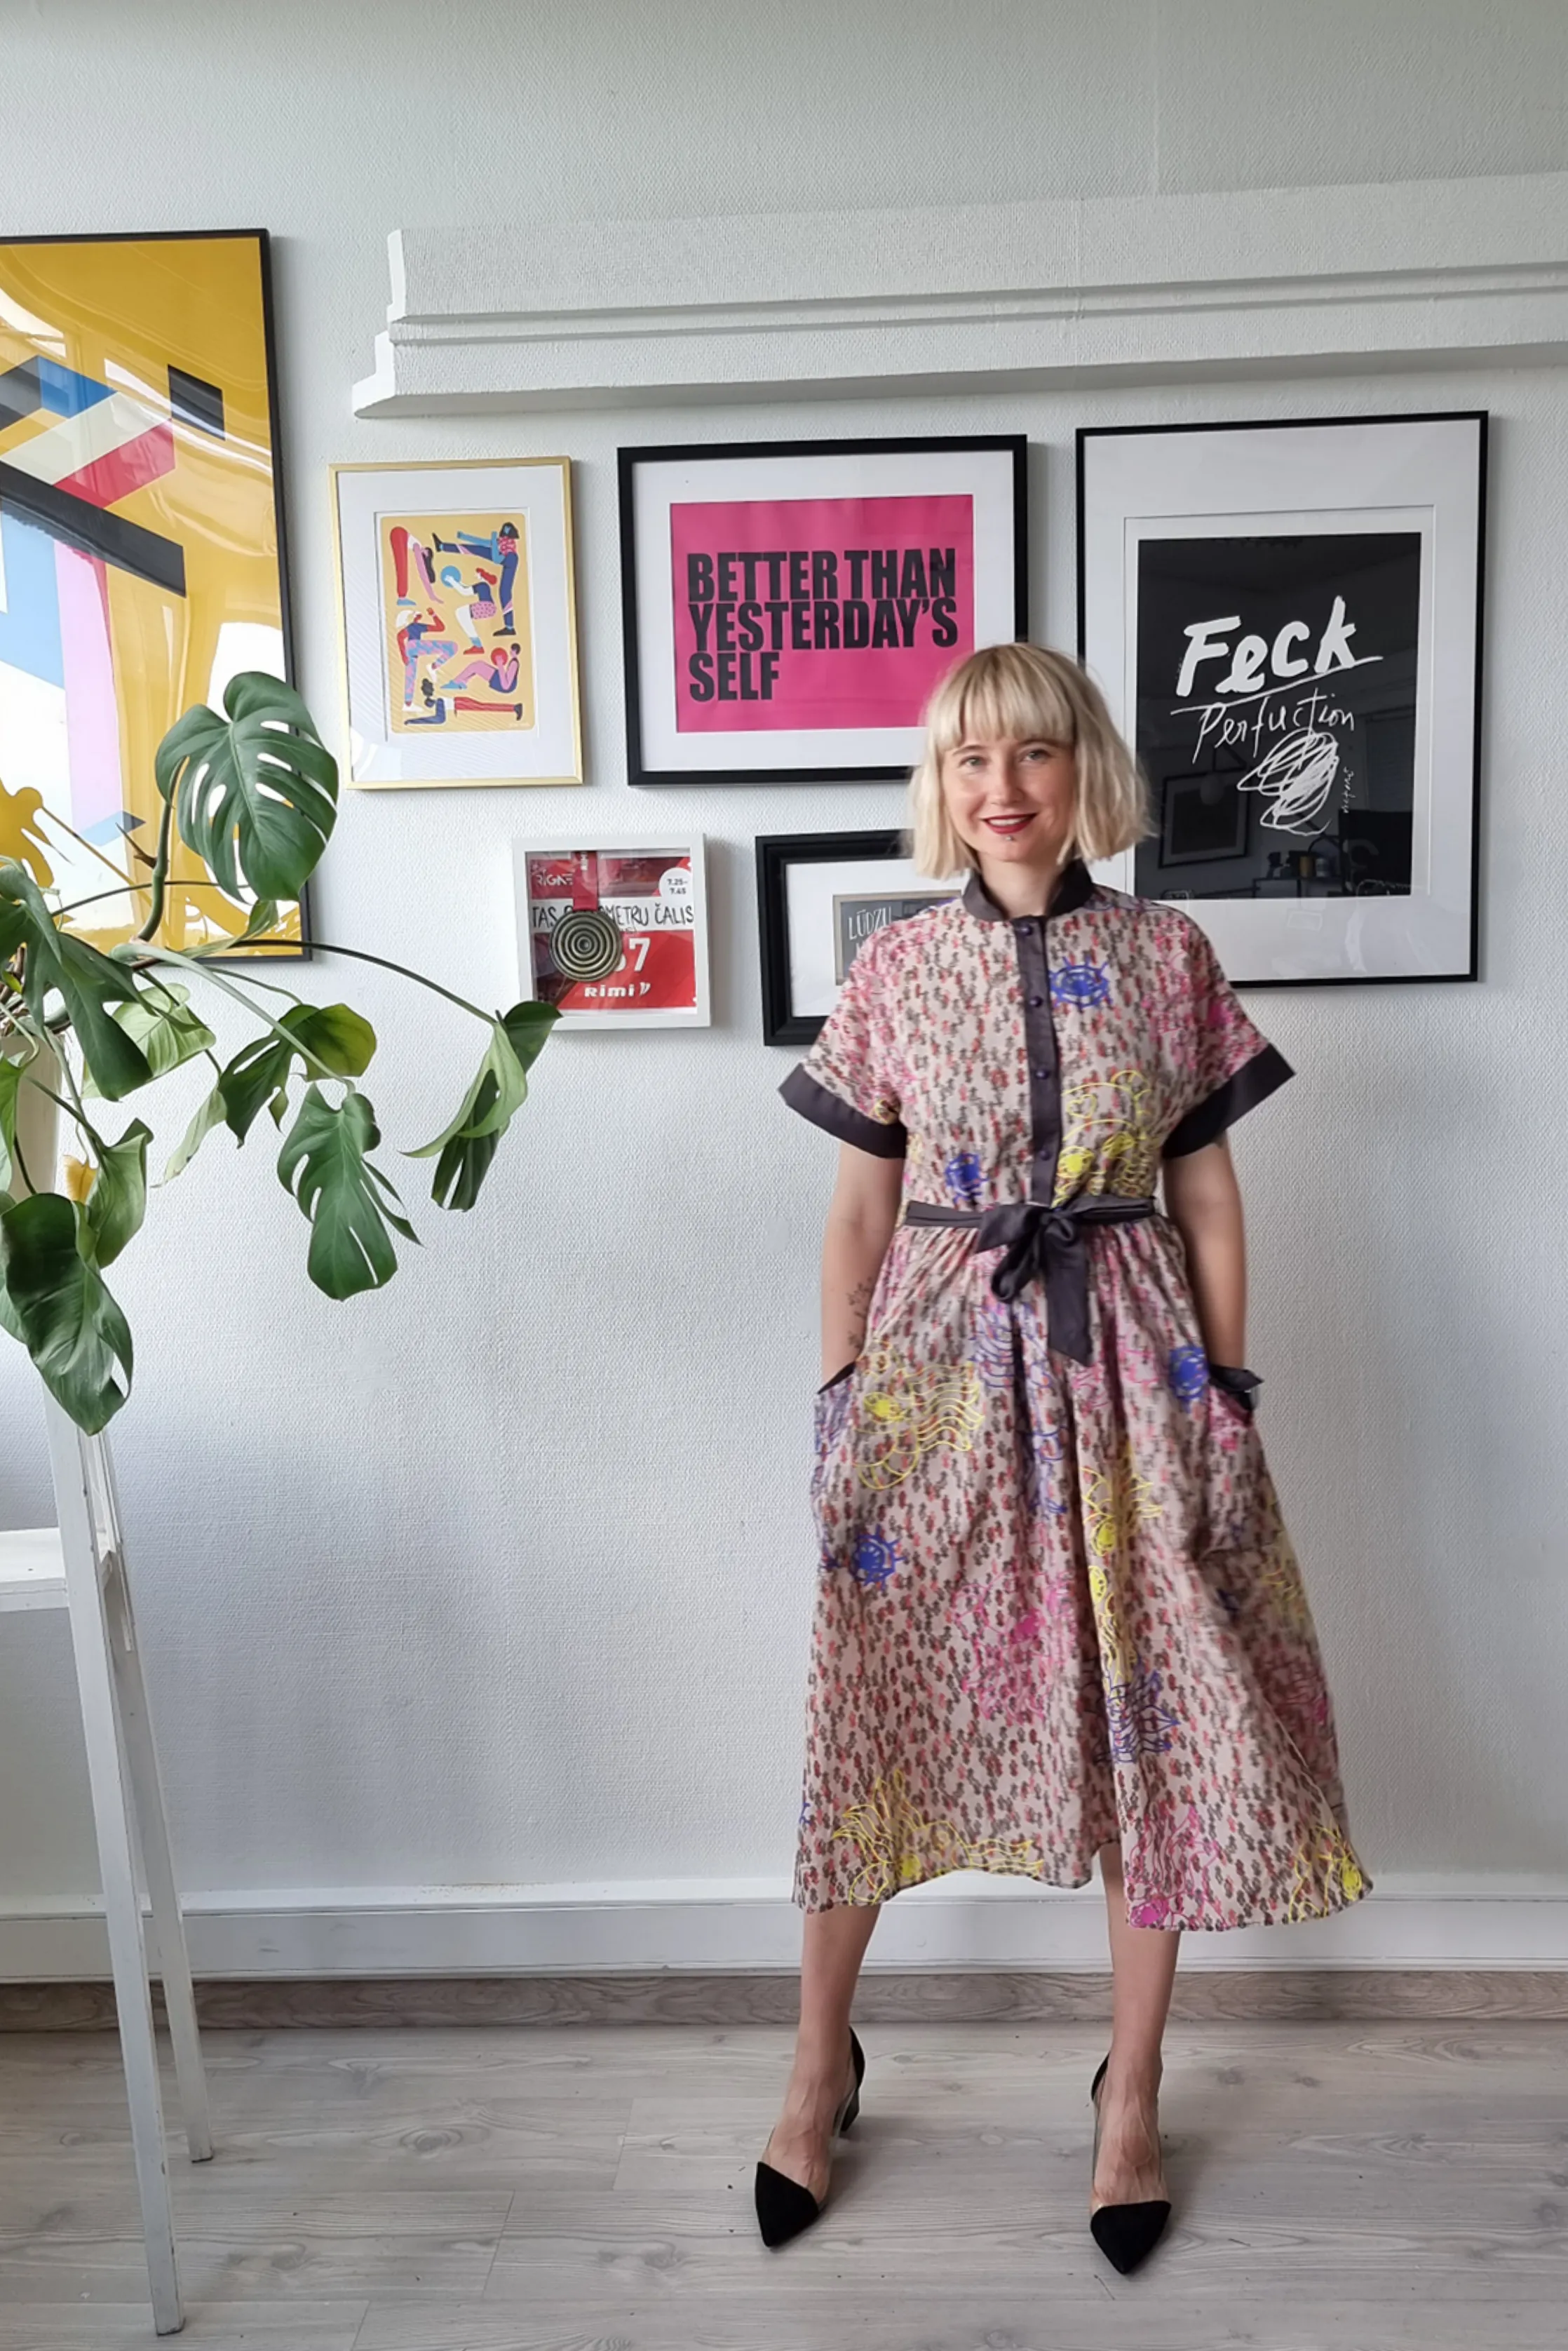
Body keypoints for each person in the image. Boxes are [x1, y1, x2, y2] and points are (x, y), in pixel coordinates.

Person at [762, 640, 1372, 2272]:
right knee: (874, 1700)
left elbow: (1210, 1192)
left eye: (1030, 755)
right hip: (935, 1379)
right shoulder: (893, 967)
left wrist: (1222, 1387)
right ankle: (818, 2066)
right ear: (939, 785)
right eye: (969, 760)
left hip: (1134, 1364)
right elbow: (855, 1204)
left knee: (1161, 1710)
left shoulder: (1167, 952)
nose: (1001, 788)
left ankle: (1131, 2091)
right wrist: (842, 1398)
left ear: (1078, 771)